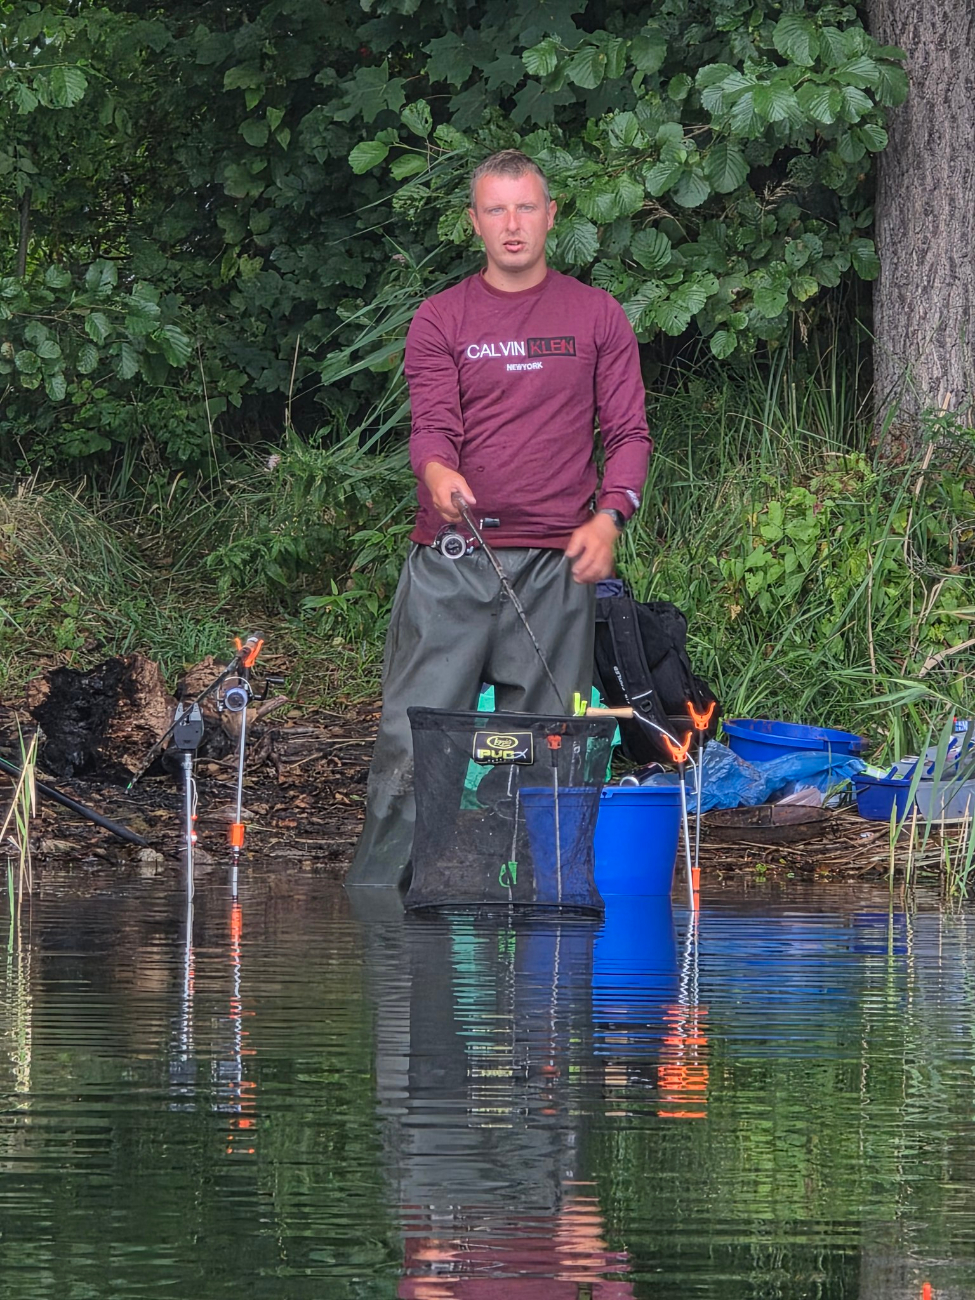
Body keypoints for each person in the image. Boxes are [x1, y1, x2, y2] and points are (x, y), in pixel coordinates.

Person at [347, 149, 651, 888]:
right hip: (452, 559)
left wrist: (610, 516)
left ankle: (533, 899)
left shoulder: (595, 314)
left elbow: (630, 436)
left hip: (556, 565)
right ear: (473, 223)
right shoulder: (441, 317)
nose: (511, 225)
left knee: (548, 743)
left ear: (550, 216)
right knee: (413, 739)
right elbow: (431, 429)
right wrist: (438, 472)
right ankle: (384, 905)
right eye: (494, 209)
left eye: (525, 208)